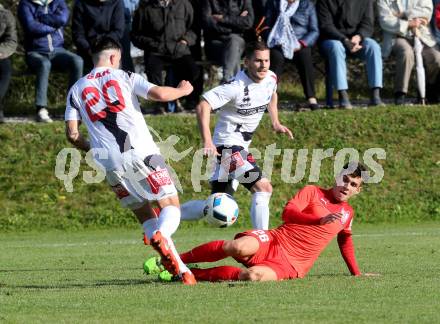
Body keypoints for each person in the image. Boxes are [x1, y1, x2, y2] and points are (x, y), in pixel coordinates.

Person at [64, 37, 196, 285]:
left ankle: (182, 271)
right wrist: (182, 90)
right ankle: (162, 235)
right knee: (170, 206)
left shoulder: (76, 89)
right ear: (114, 57)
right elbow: (158, 93)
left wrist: (91, 147)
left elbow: (72, 134)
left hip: (108, 161)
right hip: (141, 151)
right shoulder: (124, 76)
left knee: (144, 214)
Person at [146, 163, 375, 282]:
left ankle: (191, 274)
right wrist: (319, 219)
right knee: (236, 247)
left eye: (353, 184)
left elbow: (345, 240)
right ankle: (174, 260)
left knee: (252, 276)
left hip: (292, 266)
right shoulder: (312, 191)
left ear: (358, 190)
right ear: (337, 177)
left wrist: (356, 272)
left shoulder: (347, 213)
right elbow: (288, 213)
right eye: (345, 179)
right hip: (274, 240)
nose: (347, 186)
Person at [179, 41, 293, 230]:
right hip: (227, 148)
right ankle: (262, 238)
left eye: (266, 60)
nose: (263, 65)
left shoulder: (271, 77)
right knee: (263, 188)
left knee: (217, 202)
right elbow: (202, 106)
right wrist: (207, 140)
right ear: (246, 62)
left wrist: (275, 122)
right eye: (258, 61)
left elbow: (272, 95)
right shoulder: (235, 86)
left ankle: (167, 213)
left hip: (238, 148)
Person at [17, 0, 83, 123]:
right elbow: (31, 27)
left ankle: (72, 107)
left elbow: (62, 20)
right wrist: (54, 25)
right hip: (35, 52)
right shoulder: (25, 4)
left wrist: (41, 18)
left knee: (77, 61)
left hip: (58, 50)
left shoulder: (58, 2)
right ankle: (41, 109)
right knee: (44, 64)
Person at [130, 0, 202, 113]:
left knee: (193, 71)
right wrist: (152, 44)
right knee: (152, 70)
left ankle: (189, 101)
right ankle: (161, 104)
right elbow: (136, 35)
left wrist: (185, 40)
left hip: (179, 50)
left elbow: (193, 29)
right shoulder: (145, 8)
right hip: (156, 50)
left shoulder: (183, 4)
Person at [316, 0, 384, 109]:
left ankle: (375, 95)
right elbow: (326, 25)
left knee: (373, 46)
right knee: (336, 47)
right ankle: (343, 96)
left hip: (356, 40)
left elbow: (368, 23)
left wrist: (358, 37)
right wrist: (344, 40)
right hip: (332, 39)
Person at [378, 0, 440, 105]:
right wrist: (408, 23)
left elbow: (426, 11)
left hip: (422, 34)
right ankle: (400, 93)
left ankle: (429, 91)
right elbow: (385, 21)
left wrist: (403, 14)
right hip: (397, 35)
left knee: (436, 57)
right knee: (406, 52)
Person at [264, 0, 319, 110]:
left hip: (300, 43)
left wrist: (302, 43)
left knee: (305, 56)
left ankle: (311, 98)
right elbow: (266, 26)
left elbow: (314, 31)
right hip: (278, 43)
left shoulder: (307, 5)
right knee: (275, 58)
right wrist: (275, 39)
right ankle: (269, 98)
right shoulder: (274, 3)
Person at [202, 0, 254, 83]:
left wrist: (222, 19)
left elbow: (248, 22)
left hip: (238, 43)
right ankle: (234, 85)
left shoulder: (244, 1)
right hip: (216, 44)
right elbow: (207, 22)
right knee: (233, 49)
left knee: (233, 41)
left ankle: (227, 81)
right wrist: (235, 26)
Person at [72, 0, 125, 73]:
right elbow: (78, 33)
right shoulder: (81, 3)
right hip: (88, 53)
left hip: (110, 51)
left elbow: (118, 31)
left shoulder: (117, 2)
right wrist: (89, 49)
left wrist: (103, 47)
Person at [0, 4, 17, 123]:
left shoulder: (6, 15)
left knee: (5, 69)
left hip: (0, 54)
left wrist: (1, 51)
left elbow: (11, 40)